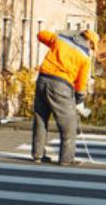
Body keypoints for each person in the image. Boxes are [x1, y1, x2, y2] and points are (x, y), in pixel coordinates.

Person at [31, 28, 98, 165]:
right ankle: (66, 159)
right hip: (61, 86)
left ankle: (37, 155)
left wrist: (61, 35)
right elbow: (80, 83)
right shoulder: (84, 58)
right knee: (69, 124)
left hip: (43, 80)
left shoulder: (60, 40)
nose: (91, 49)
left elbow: (40, 34)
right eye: (93, 46)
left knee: (41, 118)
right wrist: (79, 100)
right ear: (89, 42)